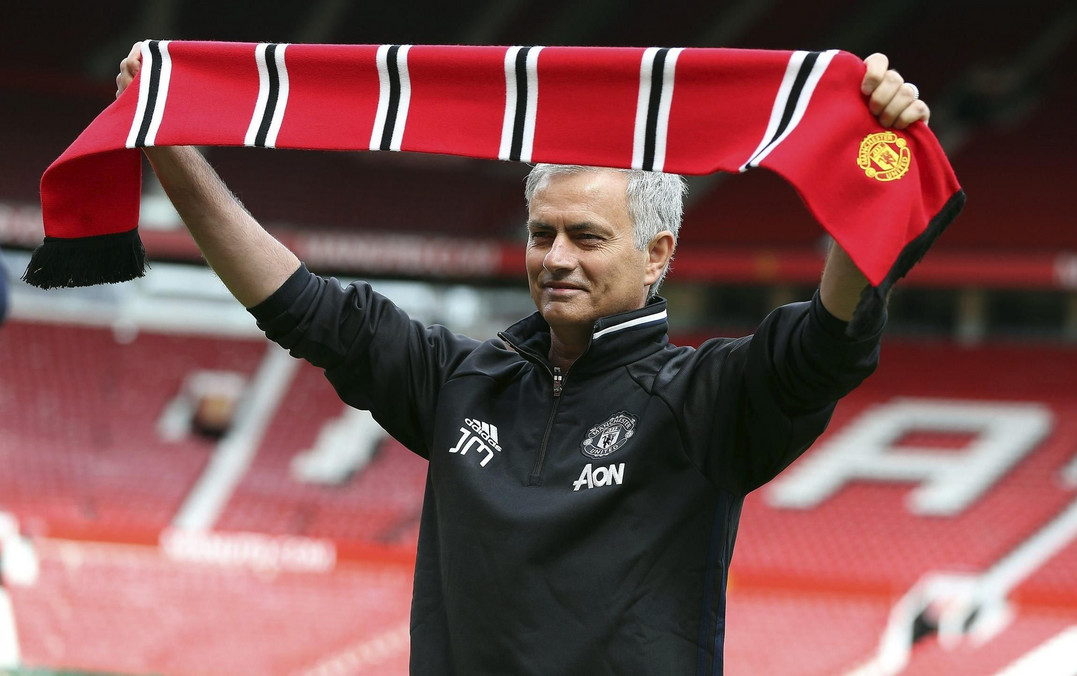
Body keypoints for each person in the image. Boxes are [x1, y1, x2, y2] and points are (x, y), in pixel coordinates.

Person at [117, 43, 929, 674]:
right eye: (543, 233)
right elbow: (299, 306)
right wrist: (166, 146)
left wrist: (873, 163)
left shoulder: (705, 400)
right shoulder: (463, 382)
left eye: (588, 235)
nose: (558, 257)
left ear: (657, 255)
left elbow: (828, 343)